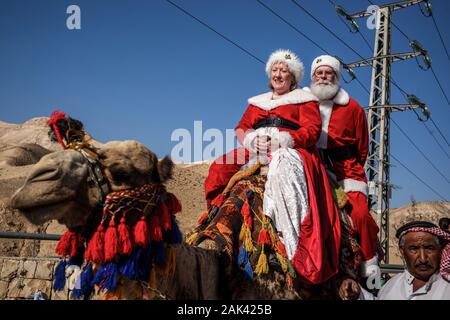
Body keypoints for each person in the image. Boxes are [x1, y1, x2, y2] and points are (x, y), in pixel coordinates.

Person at [203, 49, 341, 285]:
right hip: (256, 146)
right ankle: (215, 223)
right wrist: (249, 139)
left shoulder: (304, 100)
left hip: (290, 147)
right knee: (219, 167)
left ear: (293, 77)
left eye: (283, 71)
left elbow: (312, 130)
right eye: (275, 70)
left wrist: (285, 140)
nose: (278, 74)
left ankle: (290, 236)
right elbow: (241, 127)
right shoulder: (257, 103)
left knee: (281, 166)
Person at [304, 55, 380, 277]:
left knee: (360, 216)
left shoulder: (353, 108)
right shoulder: (302, 102)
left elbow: (363, 147)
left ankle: (369, 265)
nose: (324, 77)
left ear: (336, 77)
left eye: (329, 73)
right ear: (313, 76)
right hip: (313, 167)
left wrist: (347, 167)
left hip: (347, 172)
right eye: (320, 73)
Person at [343, 220, 450, 300]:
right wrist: (358, 293)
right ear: (402, 251)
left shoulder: (446, 287)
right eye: (414, 249)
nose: (423, 258)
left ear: (440, 250)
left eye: (429, 248)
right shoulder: (392, 285)